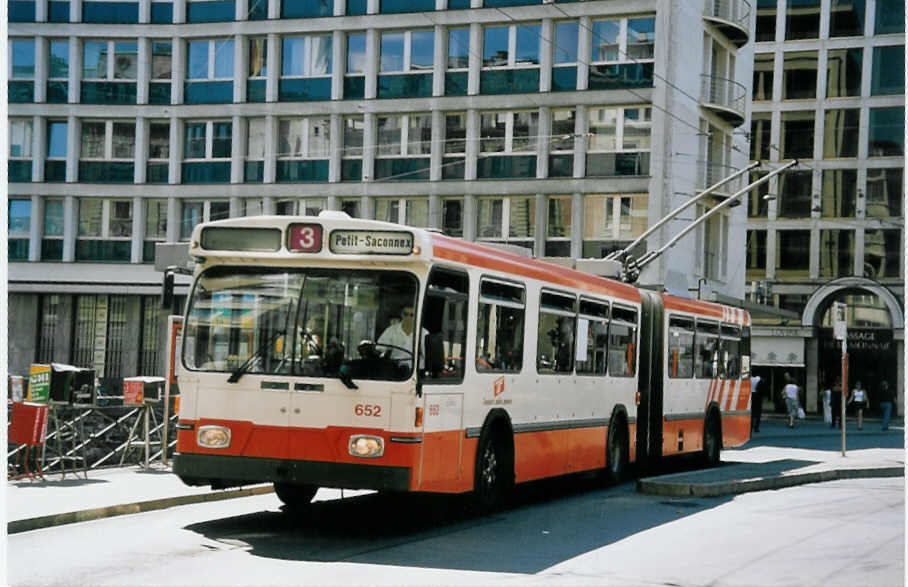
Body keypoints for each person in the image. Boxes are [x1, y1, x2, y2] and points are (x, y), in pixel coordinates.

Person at [378, 304, 427, 369]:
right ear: (402, 314)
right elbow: (379, 348)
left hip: (416, 371)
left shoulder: (424, 333)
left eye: (412, 315)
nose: (408, 318)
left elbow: (428, 355)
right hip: (395, 369)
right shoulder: (391, 330)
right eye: (406, 314)